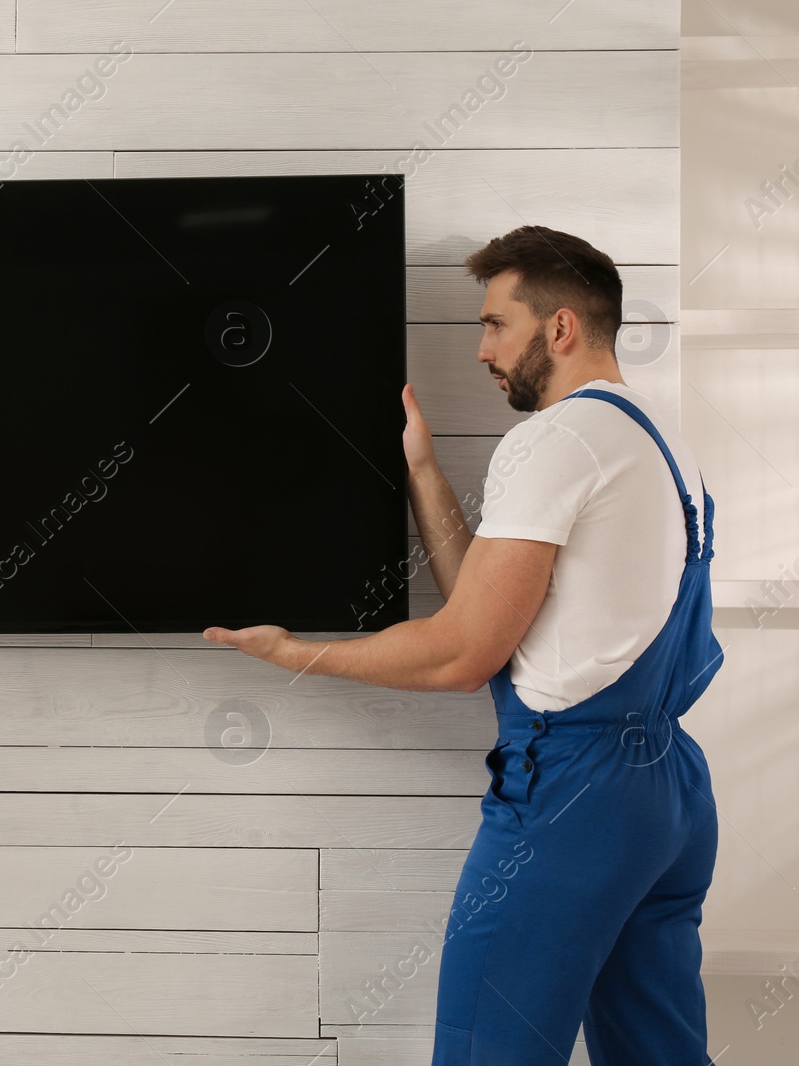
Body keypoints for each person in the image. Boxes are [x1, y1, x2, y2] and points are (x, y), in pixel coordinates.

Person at [205, 226, 722, 1065]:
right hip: (667, 796)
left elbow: (460, 654)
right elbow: (487, 608)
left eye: (494, 324)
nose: (481, 348)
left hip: (570, 795)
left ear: (559, 329)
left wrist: (292, 652)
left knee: (489, 1050)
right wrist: (423, 471)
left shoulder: (556, 443)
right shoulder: (663, 442)